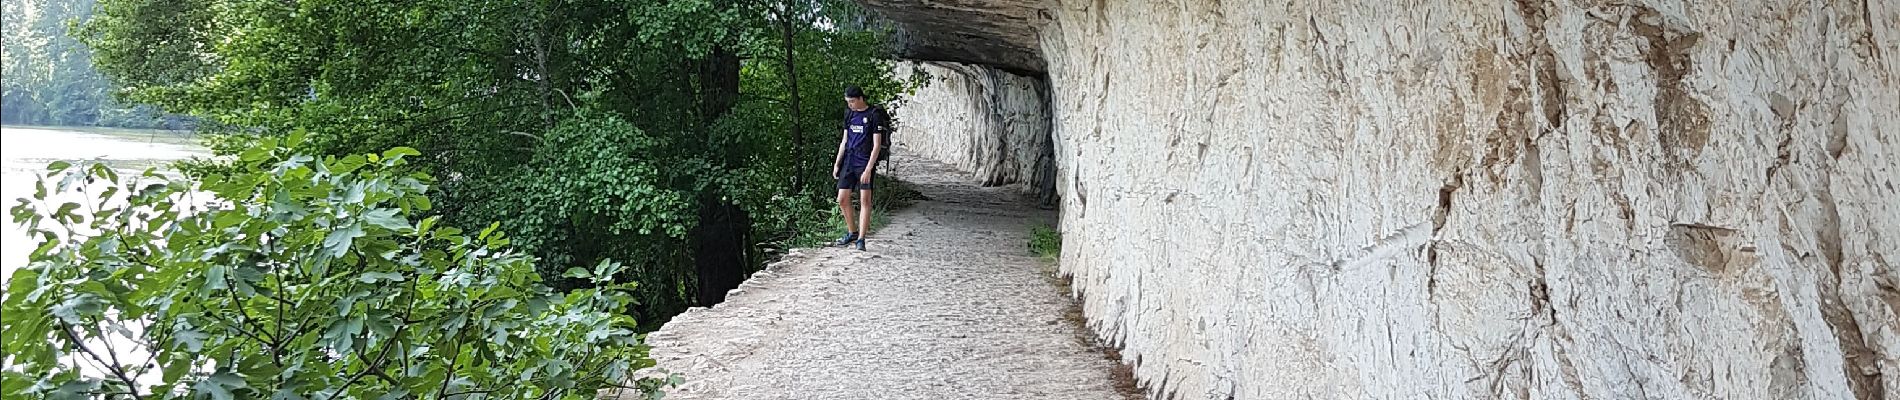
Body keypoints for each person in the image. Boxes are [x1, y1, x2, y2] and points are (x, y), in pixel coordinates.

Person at [832, 86, 889, 250]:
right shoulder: (849, 114)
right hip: (849, 159)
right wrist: (837, 163)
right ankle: (852, 232)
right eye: (848, 102)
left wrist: (869, 169)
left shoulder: (873, 115)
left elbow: (877, 145)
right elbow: (844, 140)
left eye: (852, 101)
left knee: (865, 200)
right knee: (842, 199)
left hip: (864, 160)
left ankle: (861, 240)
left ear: (860, 99)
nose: (850, 104)